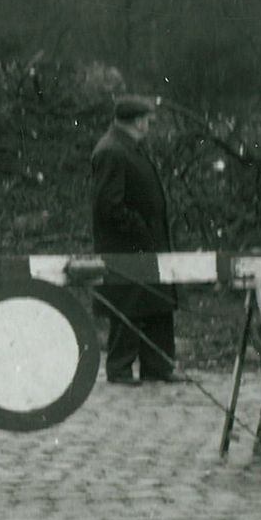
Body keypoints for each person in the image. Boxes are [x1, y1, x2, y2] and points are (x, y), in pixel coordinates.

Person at [90, 94, 180, 384]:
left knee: (154, 303)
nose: (149, 126)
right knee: (128, 306)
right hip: (128, 246)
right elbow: (107, 205)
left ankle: (158, 366)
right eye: (147, 120)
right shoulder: (112, 151)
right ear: (138, 121)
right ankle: (120, 368)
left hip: (145, 243)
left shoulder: (125, 147)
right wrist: (139, 229)